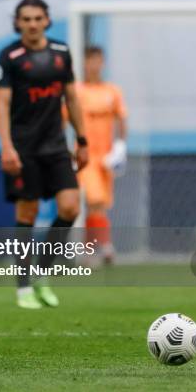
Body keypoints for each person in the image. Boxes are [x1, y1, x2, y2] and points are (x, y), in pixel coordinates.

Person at [0, 0, 88, 309]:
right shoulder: (10, 57)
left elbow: (72, 99)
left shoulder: (61, 53)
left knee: (71, 208)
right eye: (26, 19)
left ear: (47, 20)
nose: (32, 24)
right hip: (24, 148)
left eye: (37, 18)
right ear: (17, 22)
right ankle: (22, 289)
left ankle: (40, 274)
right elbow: (2, 104)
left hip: (56, 147)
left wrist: (83, 140)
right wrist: (7, 147)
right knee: (27, 216)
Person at [75, 46, 127, 265]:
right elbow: (62, 119)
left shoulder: (112, 91)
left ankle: (89, 251)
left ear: (103, 63)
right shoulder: (76, 91)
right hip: (87, 155)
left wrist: (120, 147)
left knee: (100, 204)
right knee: (93, 199)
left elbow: (121, 119)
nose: (94, 65)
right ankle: (104, 247)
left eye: (98, 61)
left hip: (107, 156)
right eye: (90, 61)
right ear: (84, 63)